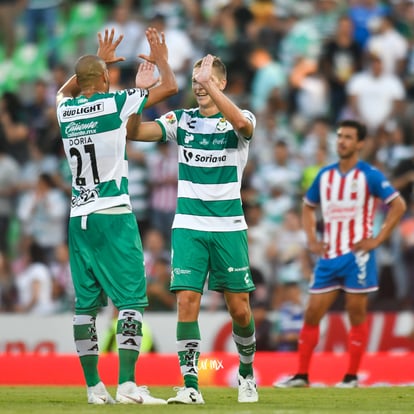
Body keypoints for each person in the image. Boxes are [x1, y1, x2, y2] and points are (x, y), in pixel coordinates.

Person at [55, 28, 177, 405]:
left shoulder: (65, 110)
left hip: (79, 218)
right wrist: (160, 58)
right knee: (131, 301)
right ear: (106, 79)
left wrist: (98, 60)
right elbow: (170, 87)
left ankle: (94, 388)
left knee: (85, 306)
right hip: (113, 214)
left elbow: (65, 89)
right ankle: (126, 385)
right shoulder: (115, 104)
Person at [129, 54, 259, 404]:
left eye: (206, 80)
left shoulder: (241, 119)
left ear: (222, 83)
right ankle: (190, 385)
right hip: (188, 225)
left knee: (240, 310)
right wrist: (141, 97)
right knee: (186, 301)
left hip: (229, 227)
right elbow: (134, 132)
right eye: (195, 82)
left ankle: (247, 375)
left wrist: (211, 87)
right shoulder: (181, 120)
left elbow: (242, 126)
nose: (198, 86)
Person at [275, 119, 406, 389]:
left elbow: (399, 205)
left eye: (348, 137)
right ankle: (301, 375)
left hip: (357, 256)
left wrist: (378, 239)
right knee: (312, 312)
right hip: (329, 255)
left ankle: (352, 376)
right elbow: (308, 206)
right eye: (339, 136)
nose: (341, 141)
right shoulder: (325, 176)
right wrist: (312, 239)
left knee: (355, 314)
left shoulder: (370, 175)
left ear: (360, 143)